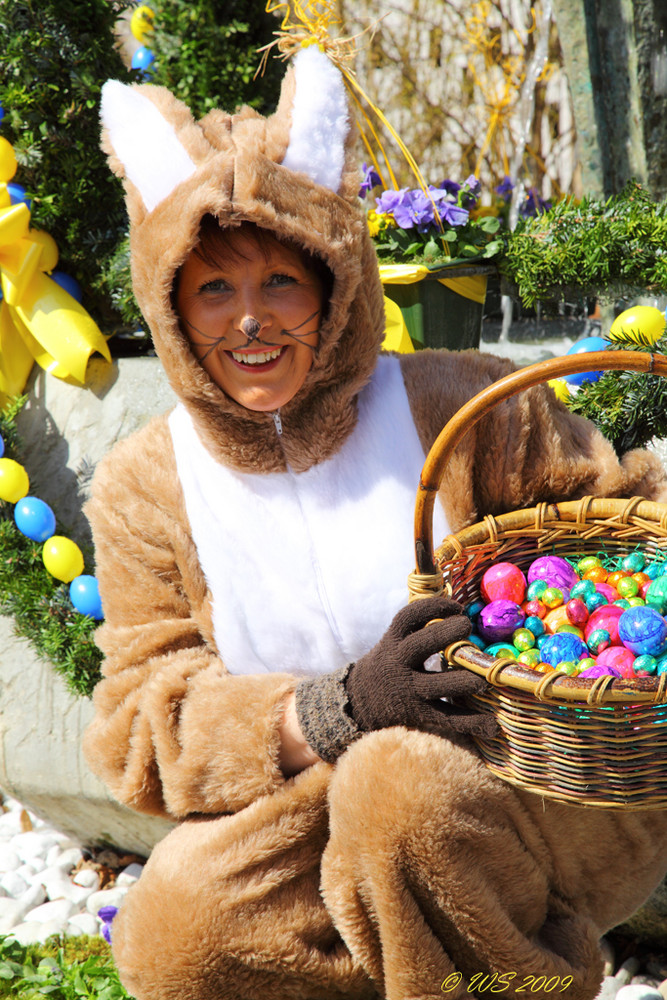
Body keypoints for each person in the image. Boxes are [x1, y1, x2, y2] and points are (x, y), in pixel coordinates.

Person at [84, 46, 667, 1000]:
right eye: (214, 289)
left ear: (336, 283)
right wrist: (329, 711)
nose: (249, 323)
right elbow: (144, 724)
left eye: (281, 283)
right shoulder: (148, 482)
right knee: (177, 926)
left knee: (397, 784)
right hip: (315, 789)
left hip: (530, 779)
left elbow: (621, 541)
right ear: (174, 310)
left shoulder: (466, 407)